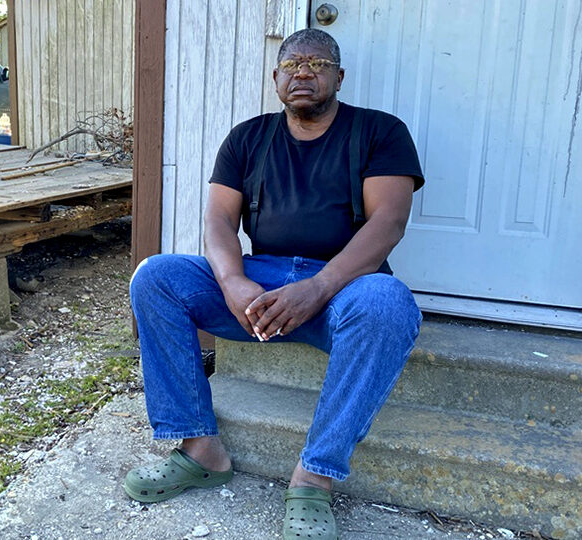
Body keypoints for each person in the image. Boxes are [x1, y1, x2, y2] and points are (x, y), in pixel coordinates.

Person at [123, 28, 424, 540]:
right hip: (259, 286)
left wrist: (319, 287)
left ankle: (314, 478)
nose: (304, 72)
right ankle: (200, 450)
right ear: (277, 77)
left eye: (318, 63)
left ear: (339, 77)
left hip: (343, 290)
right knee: (158, 276)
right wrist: (234, 281)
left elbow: (388, 224)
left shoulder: (380, 132)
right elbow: (218, 222)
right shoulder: (248, 137)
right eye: (293, 63)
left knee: (388, 303)